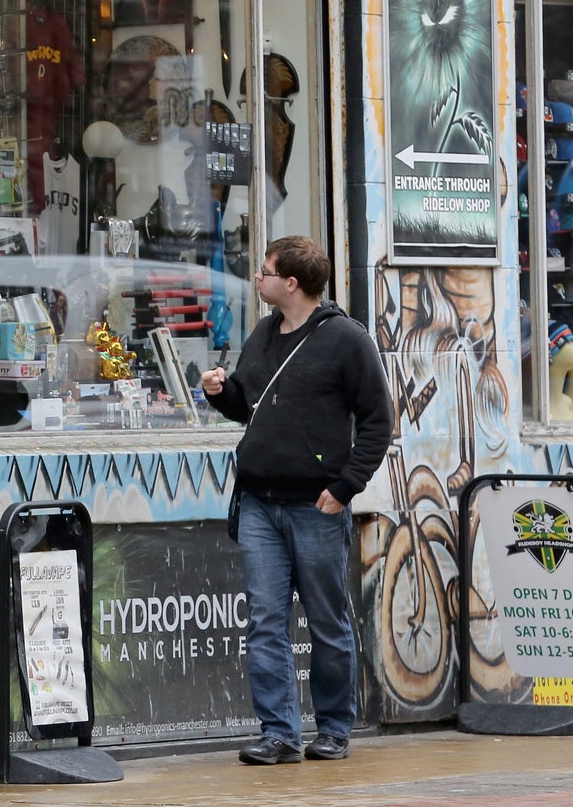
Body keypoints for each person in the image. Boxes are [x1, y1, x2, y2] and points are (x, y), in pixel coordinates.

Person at [200, 236, 392, 765]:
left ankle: (333, 728)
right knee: (265, 619)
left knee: (327, 620)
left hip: (316, 506)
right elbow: (248, 406)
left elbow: (379, 423)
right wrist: (221, 392)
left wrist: (344, 487)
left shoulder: (347, 340)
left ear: (291, 283)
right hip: (259, 501)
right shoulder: (264, 333)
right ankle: (279, 733)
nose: (257, 280)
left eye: (264, 273)